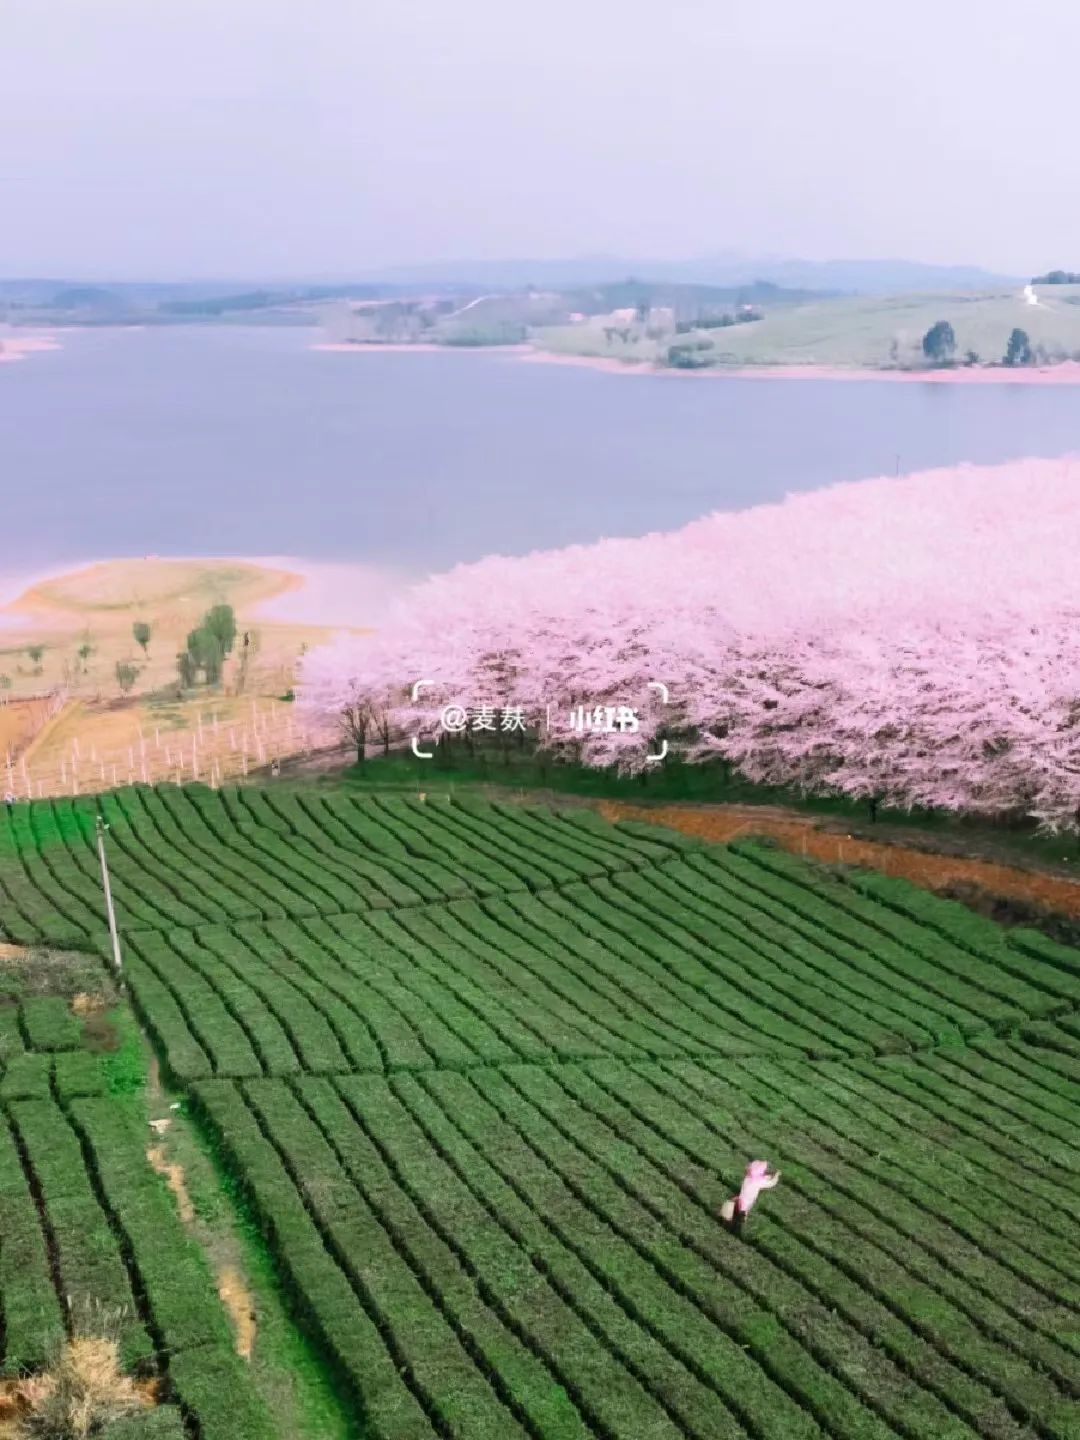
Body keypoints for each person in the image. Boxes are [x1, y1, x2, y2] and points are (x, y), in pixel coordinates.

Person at [721, 1159, 781, 1235]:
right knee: (741, 1216)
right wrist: (777, 1175)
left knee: (739, 1212)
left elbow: (762, 1178)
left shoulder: (749, 1177)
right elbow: (771, 1183)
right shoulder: (758, 1181)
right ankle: (734, 1228)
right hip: (746, 1203)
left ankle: (728, 1222)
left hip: (741, 1199)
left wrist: (768, 1176)